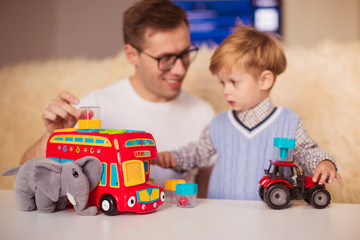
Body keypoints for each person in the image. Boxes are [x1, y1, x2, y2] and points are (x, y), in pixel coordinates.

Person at [20, 0, 215, 196]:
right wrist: (54, 138)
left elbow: (208, 199)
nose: (180, 69)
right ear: (132, 55)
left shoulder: (203, 114)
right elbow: (25, 177)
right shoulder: (94, 107)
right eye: (165, 59)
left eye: (185, 53)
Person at [154, 25, 341, 200]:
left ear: (264, 80)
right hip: (222, 216)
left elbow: (308, 151)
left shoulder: (288, 122)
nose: (226, 90)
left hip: (271, 219)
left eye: (234, 82)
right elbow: (197, 152)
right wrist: (172, 158)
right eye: (222, 83)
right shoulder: (218, 123)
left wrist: (323, 163)